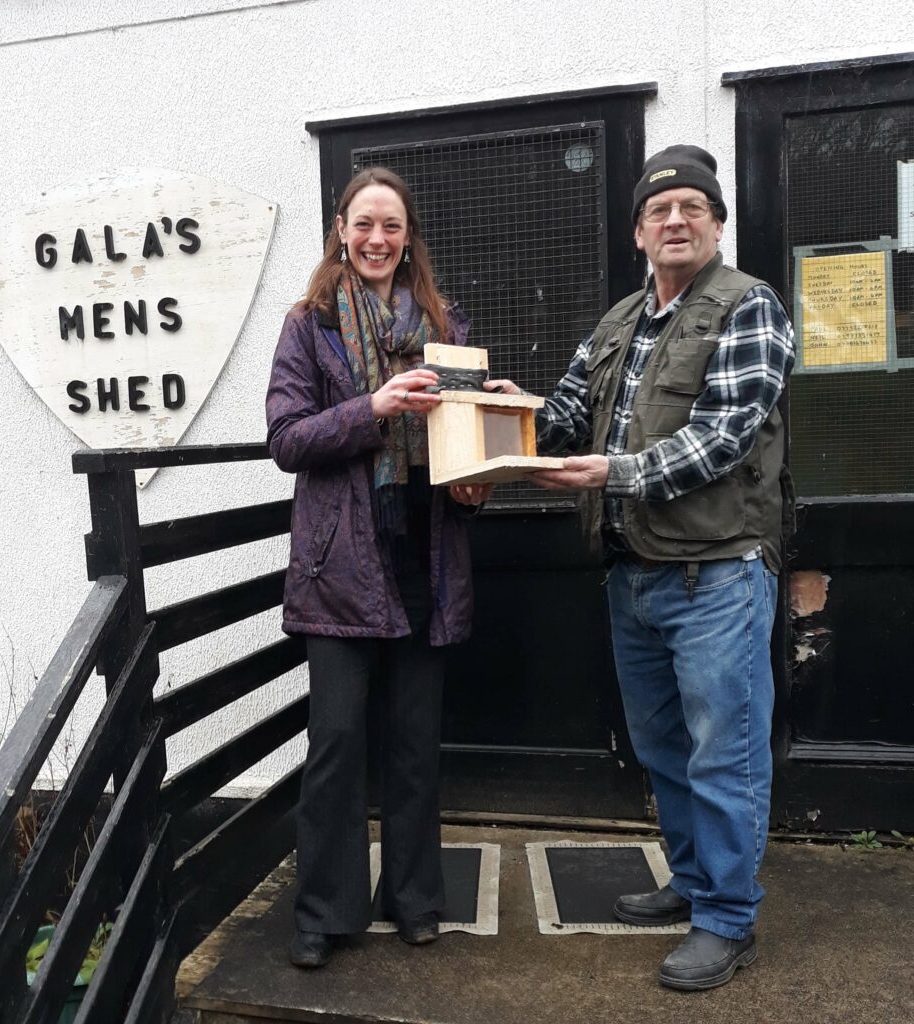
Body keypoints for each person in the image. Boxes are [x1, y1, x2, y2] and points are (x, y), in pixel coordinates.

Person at [484, 145, 796, 991]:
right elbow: (566, 412)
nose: (675, 220)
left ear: (718, 224)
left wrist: (613, 472)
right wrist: (496, 417)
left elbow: (724, 436)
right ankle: (694, 884)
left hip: (719, 573)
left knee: (722, 752)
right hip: (633, 571)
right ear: (638, 233)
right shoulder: (619, 321)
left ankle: (728, 921)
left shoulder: (748, 306)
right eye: (660, 210)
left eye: (693, 207)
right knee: (663, 749)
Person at [266, 167, 489, 969]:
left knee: (413, 745)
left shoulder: (444, 323)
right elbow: (287, 437)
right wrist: (376, 407)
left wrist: (477, 474)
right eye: (364, 224)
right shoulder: (309, 324)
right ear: (340, 229)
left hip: (422, 560)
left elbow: (464, 444)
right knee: (335, 745)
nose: (377, 239)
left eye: (391, 226)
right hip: (338, 569)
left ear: (408, 237)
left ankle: (416, 900)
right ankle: (324, 913)